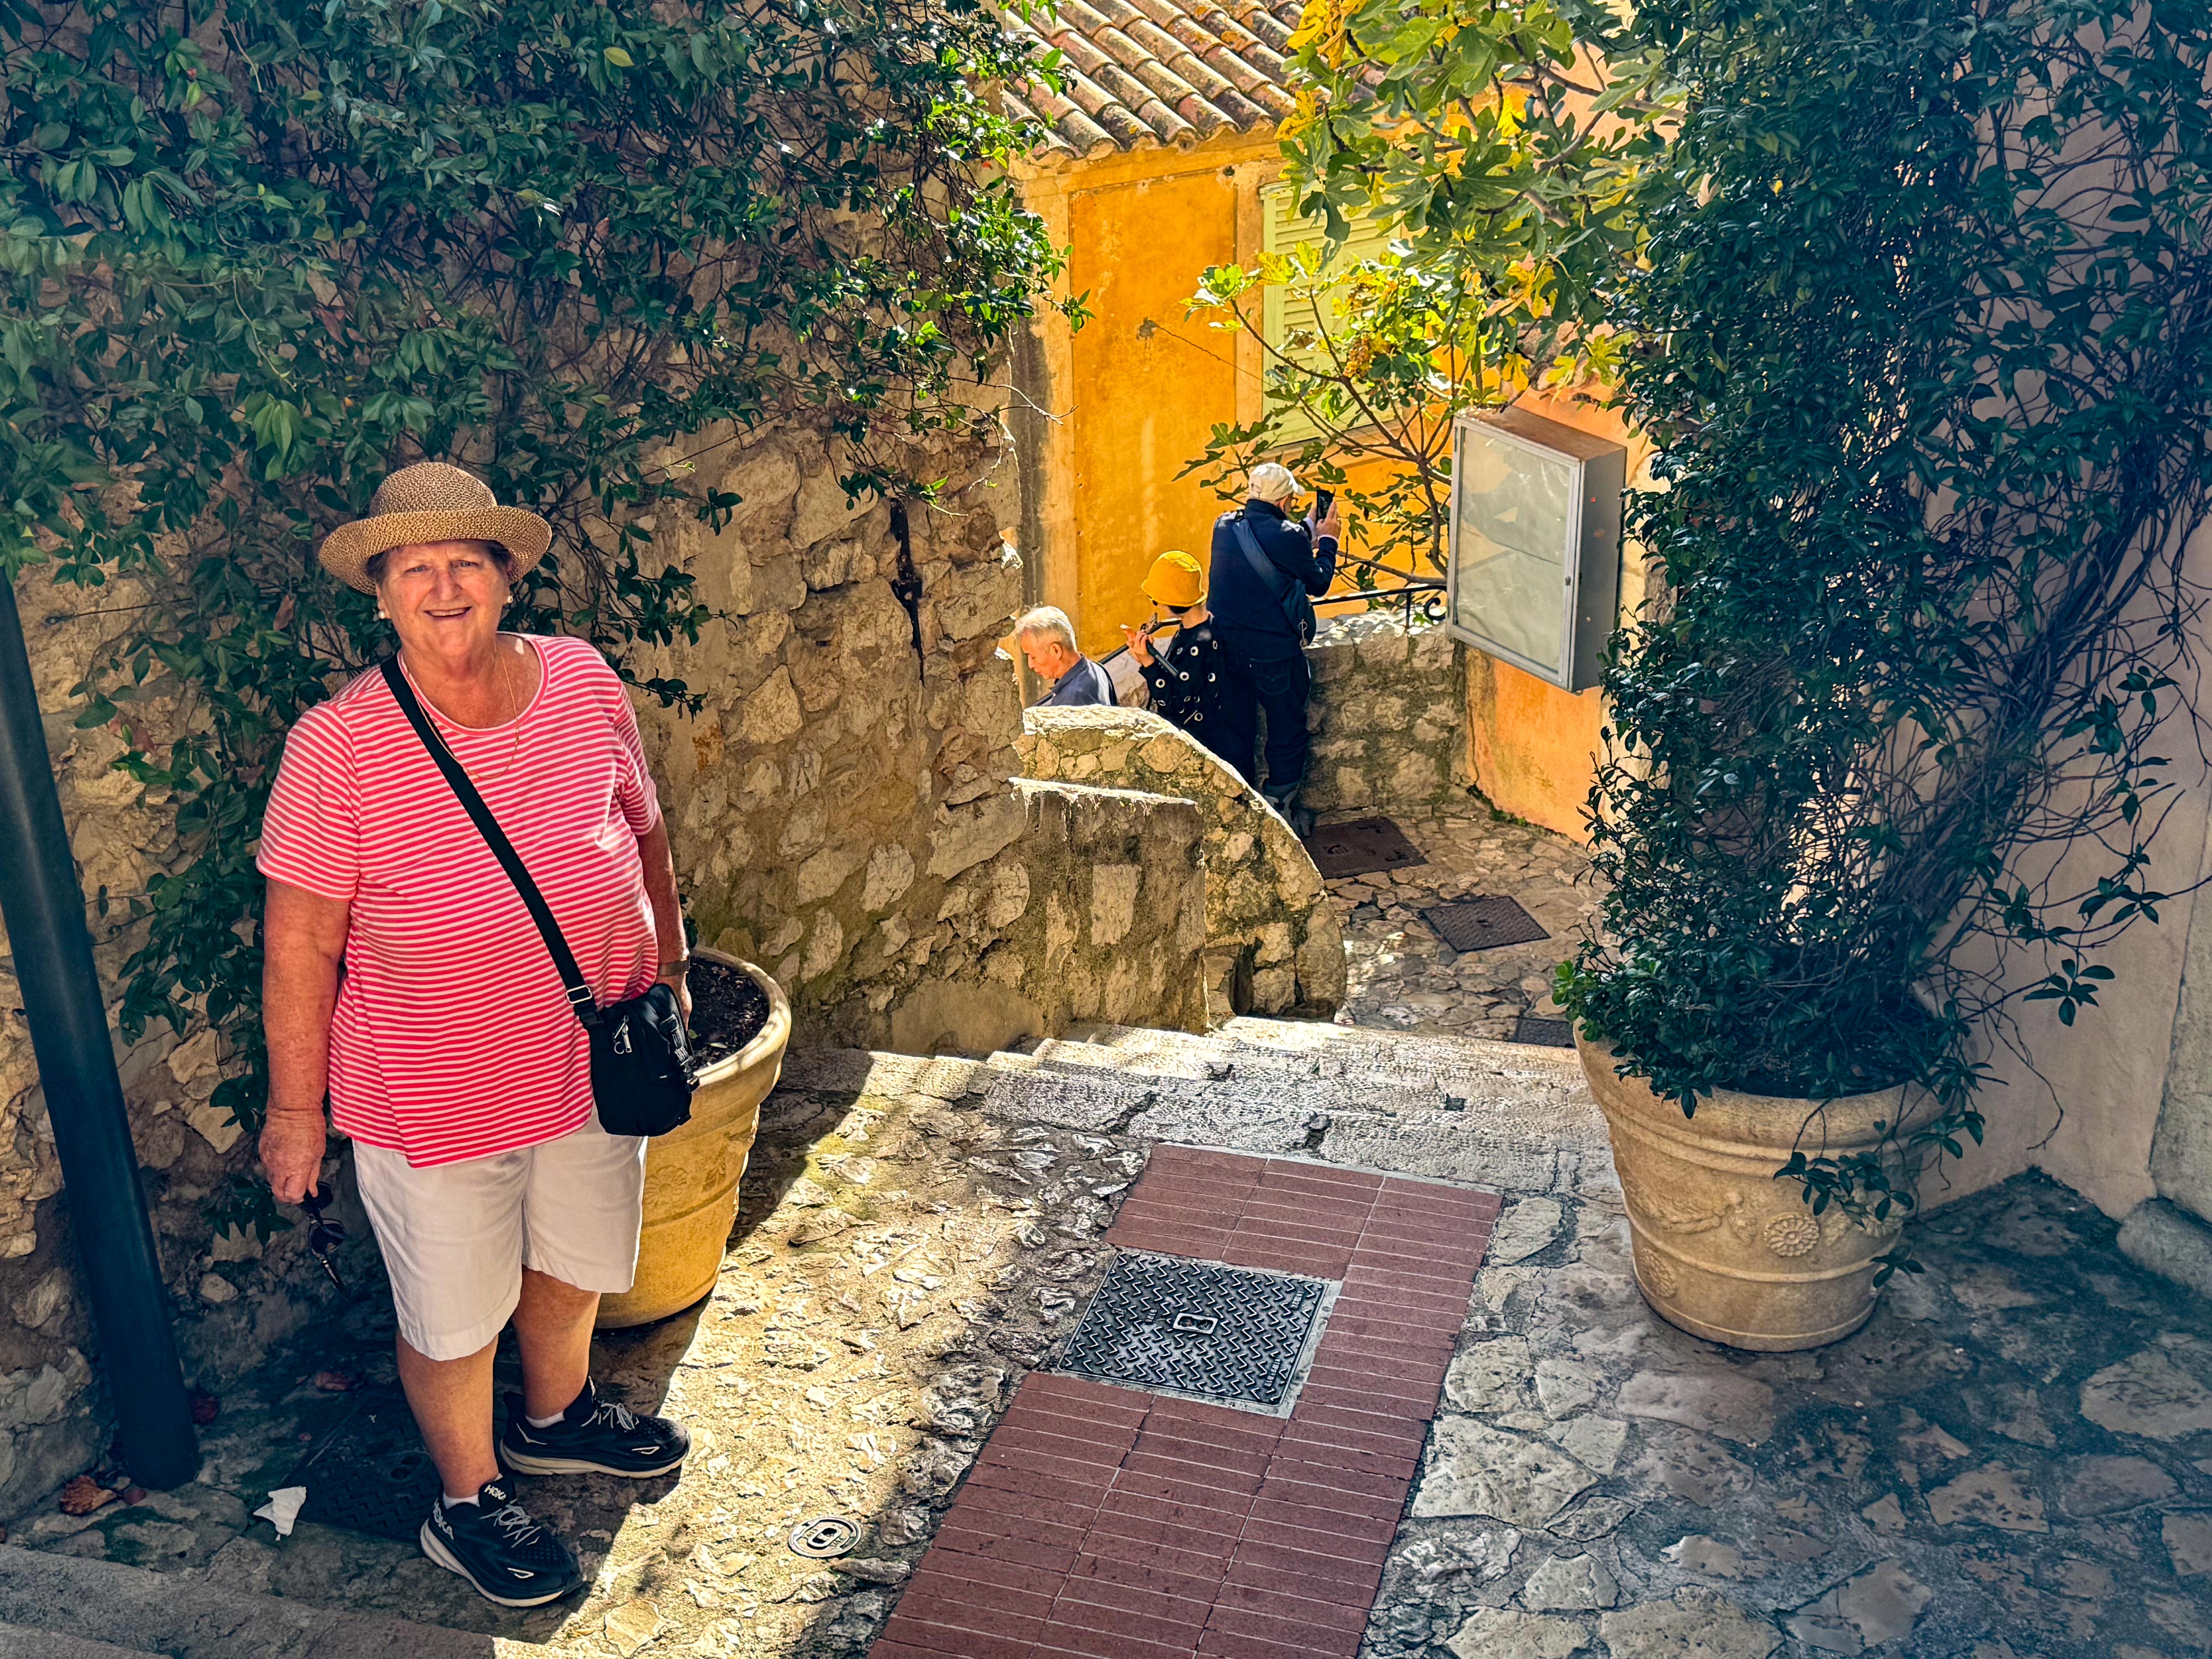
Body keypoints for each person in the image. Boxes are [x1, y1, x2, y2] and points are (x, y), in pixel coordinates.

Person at [257, 462, 691, 1609]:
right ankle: (465, 1501)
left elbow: (643, 827)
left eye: (465, 563)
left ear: (505, 580)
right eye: (415, 569)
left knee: (577, 1259)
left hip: (590, 1065)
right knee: (452, 1316)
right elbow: (300, 945)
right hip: (431, 1092)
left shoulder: (583, 680)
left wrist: (671, 965)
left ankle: (556, 1418)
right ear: (383, 595)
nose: (443, 587)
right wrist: (295, 1110)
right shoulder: (337, 746)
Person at [1207, 462, 1340, 830]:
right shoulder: (1289, 537)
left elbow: (1271, 541)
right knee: (1286, 730)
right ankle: (1280, 809)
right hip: (1274, 657)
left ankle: (1239, 807)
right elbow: (1318, 584)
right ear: (1285, 502)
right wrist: (1328, 540)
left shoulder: (1224, 526)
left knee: (1238, 730)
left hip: (1228, 652)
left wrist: (1308, 528)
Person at [1121, 551, 1256, 782]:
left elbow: (1177, 703)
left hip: (1212, 765)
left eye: (1157, 601)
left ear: (1172, 604)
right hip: (1235, 750)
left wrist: (1148, 664)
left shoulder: (1198, 644)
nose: (1158, 606)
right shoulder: (1215, 627)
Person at [1015, 605, 1116, 707]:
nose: (1031, 665)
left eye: (1033, 657)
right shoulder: (1097, 669)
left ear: (1056, 651)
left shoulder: (1074, 699)